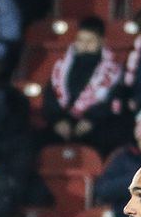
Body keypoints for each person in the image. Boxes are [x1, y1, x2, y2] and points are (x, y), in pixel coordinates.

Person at [44, 17, 122, 150]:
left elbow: (114, 100)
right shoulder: (62, 67)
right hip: (63, 120)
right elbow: (51, 93)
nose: (84, 45)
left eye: (90, 41)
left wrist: (91, 120)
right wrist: (57, 120)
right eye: (80, 40)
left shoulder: (112, 71)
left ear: (102, 42)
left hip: (98, 123)